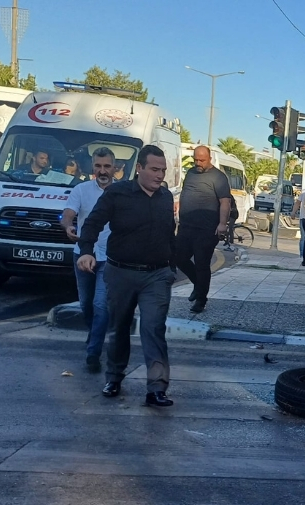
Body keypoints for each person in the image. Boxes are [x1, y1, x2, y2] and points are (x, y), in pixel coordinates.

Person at [77, 145, 177, 407]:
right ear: (140, 169)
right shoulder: (117, 193)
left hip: (156, 276)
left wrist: (172, 268)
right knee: (119, 327)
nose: (159, 175)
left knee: (153, 328)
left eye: (163, 170)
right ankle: (114, 378)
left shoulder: (166, 197)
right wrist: (86, 251)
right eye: (154, 170)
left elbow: (170, 235)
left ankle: (157, 388)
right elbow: (92, 224)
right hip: (120, 273)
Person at [61, 148, 117, 373]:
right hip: (84, 254)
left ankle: (93, 353)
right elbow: (67, 214)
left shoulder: (123, 191)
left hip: (110, 257)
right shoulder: (81, 189)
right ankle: (94, 333)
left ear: (115, 168)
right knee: (86, 304)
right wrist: (68, 226)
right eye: (98, 166)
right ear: (92, 167)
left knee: (100, 305)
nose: (102, 171)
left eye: (106, 166)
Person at [176, 145, 231, 313]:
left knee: (201, 263)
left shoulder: (218, 177)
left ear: (209, 159)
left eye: (202, 160)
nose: (198, 163)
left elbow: (225, 202)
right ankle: (198, 285)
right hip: (186, 227)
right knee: (178, 257)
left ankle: (201, 300)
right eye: (196, 160)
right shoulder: (191, 173)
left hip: (207, 229)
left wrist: (222, 224)